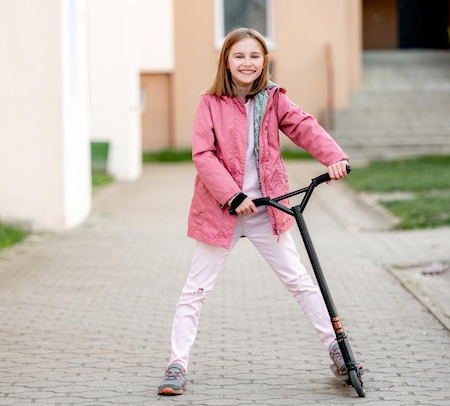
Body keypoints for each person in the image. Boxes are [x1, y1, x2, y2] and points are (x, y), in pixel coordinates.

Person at [158, 27, 353, 396]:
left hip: (268, 209)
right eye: (239, 56)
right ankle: (176, 364)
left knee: (299, 280)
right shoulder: (210, 103)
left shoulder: (273, 98)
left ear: (264, 61)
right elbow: (203, 155)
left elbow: (303, 127)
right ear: (226, 62)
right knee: (196, 288)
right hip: (222, 211)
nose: (247, 63)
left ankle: (337, 350)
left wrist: (334, 158)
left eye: (254, 56)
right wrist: (232, 196)